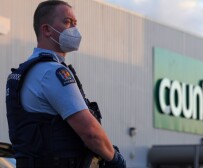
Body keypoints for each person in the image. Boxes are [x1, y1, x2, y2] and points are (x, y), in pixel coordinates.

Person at [5, 1, 126, 168]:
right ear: (47, 30)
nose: (74, 30)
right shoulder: (52, 72)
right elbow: (90, 132)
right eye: (67, 22)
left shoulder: (27, 71)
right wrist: (115, 159)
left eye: (75, 23)